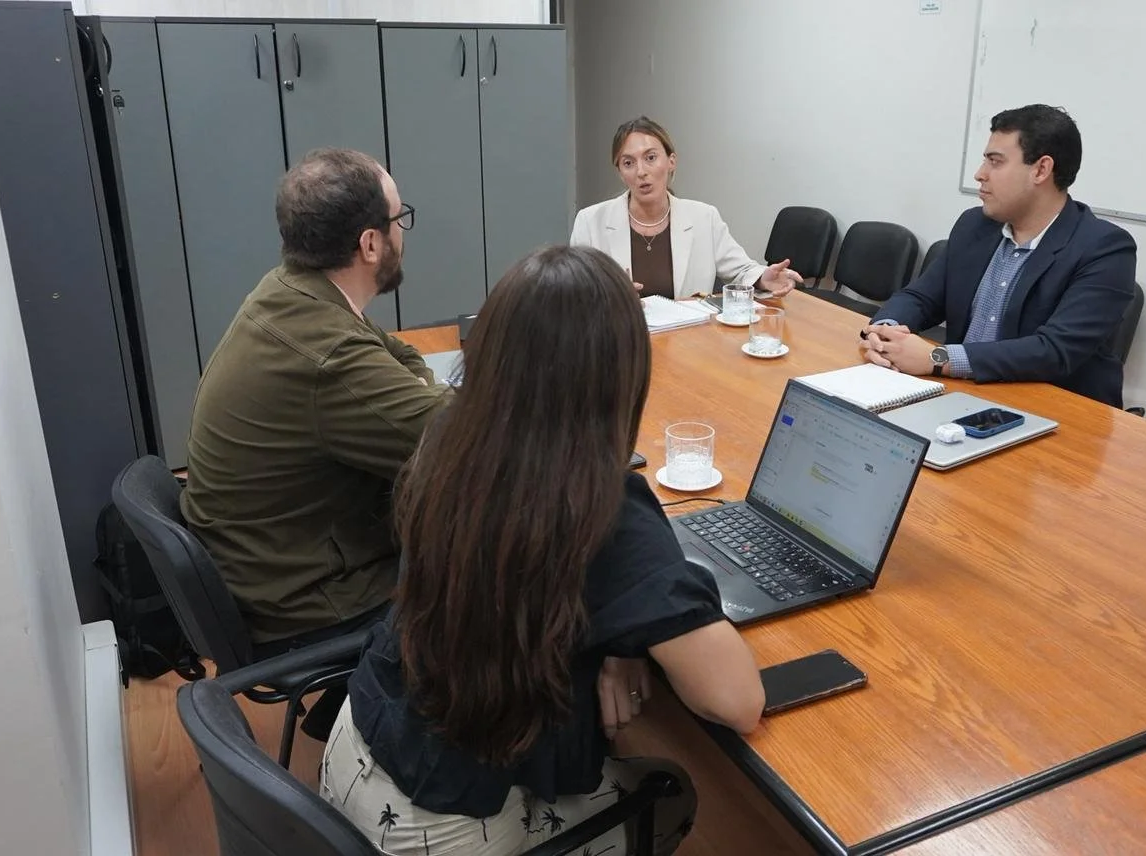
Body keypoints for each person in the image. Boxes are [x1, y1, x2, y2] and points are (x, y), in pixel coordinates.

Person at [322, 245, 765, 856]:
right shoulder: (600, 505)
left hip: (357, 750)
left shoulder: (449, 438)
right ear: (622, 375)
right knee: (672, 793)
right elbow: (737, 701)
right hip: (441, 825)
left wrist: (625, 636)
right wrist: (641, 618)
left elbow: (543, 585)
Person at [181, 148, 452, 654]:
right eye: (400, 219)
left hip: (273, 564)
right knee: (491, 565)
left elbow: (401, 355)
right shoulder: (326, 351)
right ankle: (395, 711)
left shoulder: (289, 290)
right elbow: (460, 435)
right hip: (305, 598)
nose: (403, 233)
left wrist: (417, 384)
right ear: (371, 243)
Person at [859, 104, 1137, 407]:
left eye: (995, 162)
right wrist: (884, 331)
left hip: (1052, 412)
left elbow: (1055, 351)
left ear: (1041, 170)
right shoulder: (974, 225)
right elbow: (922, 297)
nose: (980, 175)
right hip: (965, 395)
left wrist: (937, 358)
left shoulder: (1105, 248)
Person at [570, 116, 802, 300]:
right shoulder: (590, 222)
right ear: (620, 172)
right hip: (620, 341)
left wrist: (764, 278)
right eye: (628, 163)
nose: (641, 171)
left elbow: (742, 271)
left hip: (688, 343)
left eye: (650, 157)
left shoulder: (704, 218)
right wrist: (609, 296)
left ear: (671, 161)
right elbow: (573, 295)